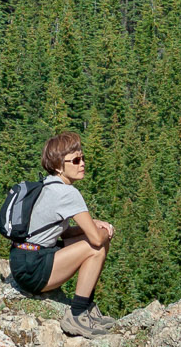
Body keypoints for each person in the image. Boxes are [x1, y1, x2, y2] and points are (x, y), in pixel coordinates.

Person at [7, 130, 116, 336]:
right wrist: (104, 232)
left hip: (24, 259)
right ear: (59, 166)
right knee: (96, 246)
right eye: (75, 160)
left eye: (82, 158)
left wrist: (94, 226)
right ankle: (77, 316)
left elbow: (64, 234)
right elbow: (94, 239)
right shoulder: (67, 193)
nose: (82, 163)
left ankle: (86, 309)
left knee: (94, 240)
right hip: (33, 268)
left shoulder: (48, 185)